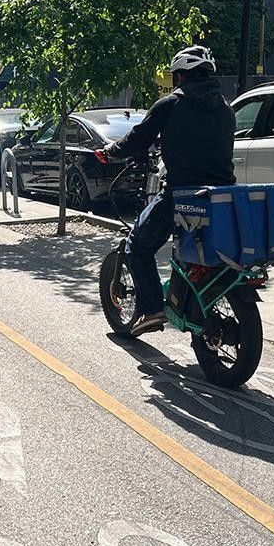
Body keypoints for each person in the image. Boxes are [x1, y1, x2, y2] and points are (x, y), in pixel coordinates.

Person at [99, 46, 236, 337]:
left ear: (181, 76)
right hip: (222, 196)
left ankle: (152, 310)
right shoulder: (226, 109)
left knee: (138, 245)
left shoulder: (170, 104)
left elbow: (136, 140)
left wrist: (111, 152)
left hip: (181, 194)